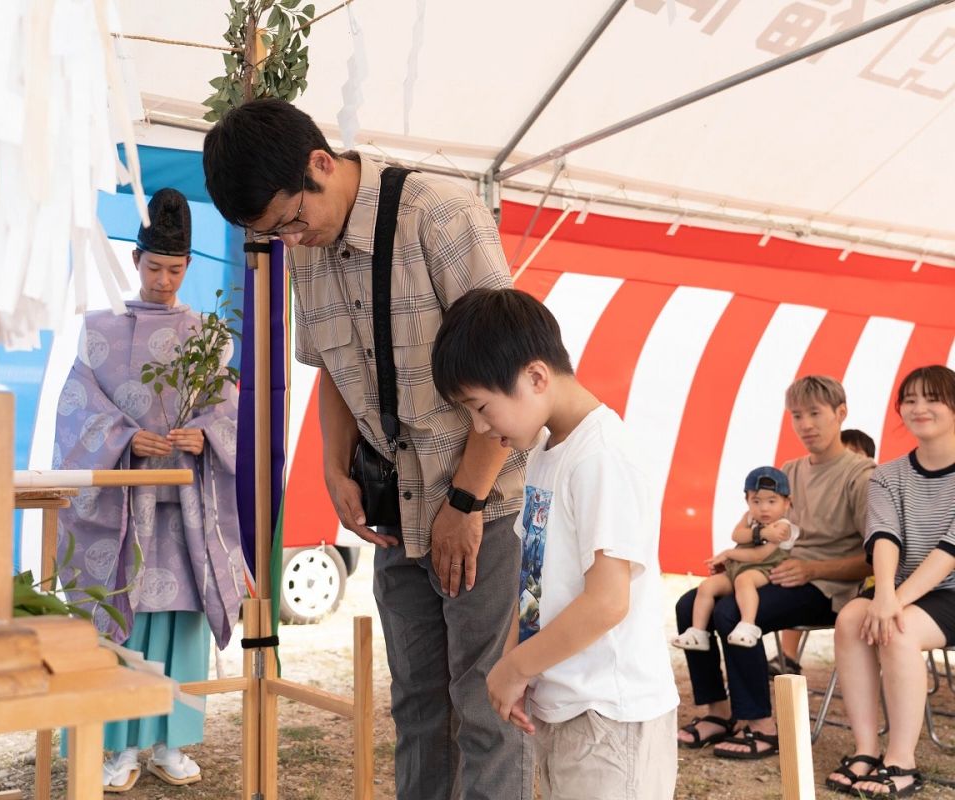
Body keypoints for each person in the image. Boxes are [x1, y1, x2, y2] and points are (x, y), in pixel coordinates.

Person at [203, 99, 532, 800]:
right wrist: (332, 467)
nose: (291, 239)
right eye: (272, 234)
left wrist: (466, 502)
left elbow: (510, 376)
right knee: (416, 704)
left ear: (321, 164)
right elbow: (328, 366)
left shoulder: (441, 216)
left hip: (480, 507)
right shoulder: (305, 249)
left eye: (291, 219)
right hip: (396, 513)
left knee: (485, 706)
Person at [431, 287, 679, 800]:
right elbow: (533, 579)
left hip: (611, 716)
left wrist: (516, 667)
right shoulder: (546, 451)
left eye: (480, 408)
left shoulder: (602, 455)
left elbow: (608, 601)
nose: (480, 427)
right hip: (568, 708)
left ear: (536, 377)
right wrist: (513, 663)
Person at [54, 188, 244, 792]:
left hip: (184, 511)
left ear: (189, 268)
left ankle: (171, 742)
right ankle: (117, 747)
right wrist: (125, 438)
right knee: (123, 622)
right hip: (120, 508)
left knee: (179, 624)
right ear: (135, 260)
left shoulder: (211, 337)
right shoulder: (99, 332)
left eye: (176, 269)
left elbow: (229, 414)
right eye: (154, 266)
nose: (164, 279)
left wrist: (203, 435)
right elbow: (74, 408)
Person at [675, 375, 874, 758]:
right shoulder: (790, 470)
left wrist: (813, 570)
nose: (806, 425)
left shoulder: (862, 476)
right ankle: (718, 714)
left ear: (841, 413)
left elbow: (872, 560)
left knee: (731, 613)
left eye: (815, 414)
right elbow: (758, 528)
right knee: (689, 605)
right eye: (797, 416)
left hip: (826, 588)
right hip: (777, 572)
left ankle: (762, 726)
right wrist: (736, 555)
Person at [824, 365, 955, 797]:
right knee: (851, 619)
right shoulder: (887, 474)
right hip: (898, 588)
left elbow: (948, 554)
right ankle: (865, 750)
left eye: (932, 398)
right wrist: (882, 596)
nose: (919, 407)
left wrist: (893, 605)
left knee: (896, 632)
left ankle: (901, 760)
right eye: (910, 399)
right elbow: (884, 537)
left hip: (948, 590)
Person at [771, 427, 879, 676]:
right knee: (793, 581)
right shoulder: (810, 486)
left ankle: (866, 665)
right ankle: (788, 656)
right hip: (820, 577)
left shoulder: (866, 488)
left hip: (864, 583)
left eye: (855, 456)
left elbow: (876, 556)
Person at [672, 467, 800, 651]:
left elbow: (759, 555)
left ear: (786, 503)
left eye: (772, 501)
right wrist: (761, 532)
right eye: (756, 501)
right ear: (747, 500)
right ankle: (698, 632)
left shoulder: (782, 526)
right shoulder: (749, 518)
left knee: (744, 580)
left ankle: (748, 624)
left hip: (764, 569)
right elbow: (736, 535)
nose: (764, 508)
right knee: (707, 586)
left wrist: (729, 554)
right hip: (736, 568)